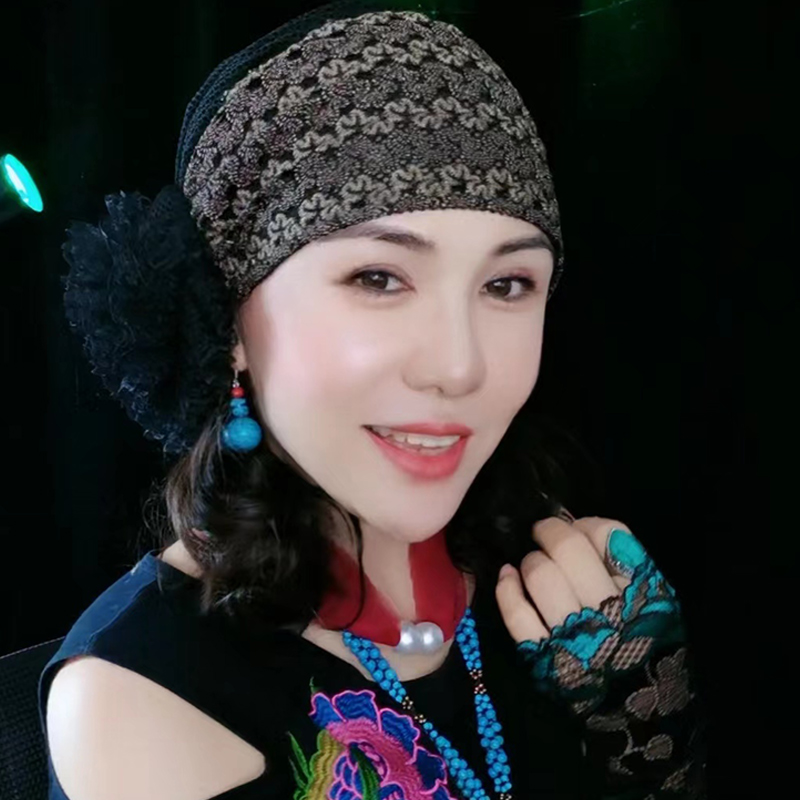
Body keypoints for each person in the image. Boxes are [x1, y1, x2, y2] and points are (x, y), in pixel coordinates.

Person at [38, 2, 708, 798]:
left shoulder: (564, 594)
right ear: (229, 322)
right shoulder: (145, 699)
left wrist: (646, 729)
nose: (460, 366)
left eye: (506, 284)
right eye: (379, 278)